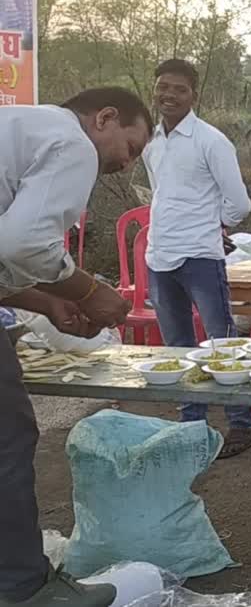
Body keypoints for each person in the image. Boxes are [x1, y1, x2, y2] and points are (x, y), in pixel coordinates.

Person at [0, 87, 150, 606]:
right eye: (130, 148)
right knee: (7, 438)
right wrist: (90, 291)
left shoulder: (22, 129)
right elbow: (22, 245)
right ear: (105, 118)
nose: (125, 165)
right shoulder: (72, 139)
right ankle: (23, 588)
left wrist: (46, 303)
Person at [143, 59, 251, 458]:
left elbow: (239, 203)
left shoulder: (211, 140)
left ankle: (241, 424)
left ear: (194, 95)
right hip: (159, 256)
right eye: (163, 87)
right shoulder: (151, 140)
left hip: (201, 257)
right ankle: (192, 422)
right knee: (177, 346)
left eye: (179, 89)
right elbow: (163, 193)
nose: (168, 95)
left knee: (221, 343)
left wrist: (213, 226)